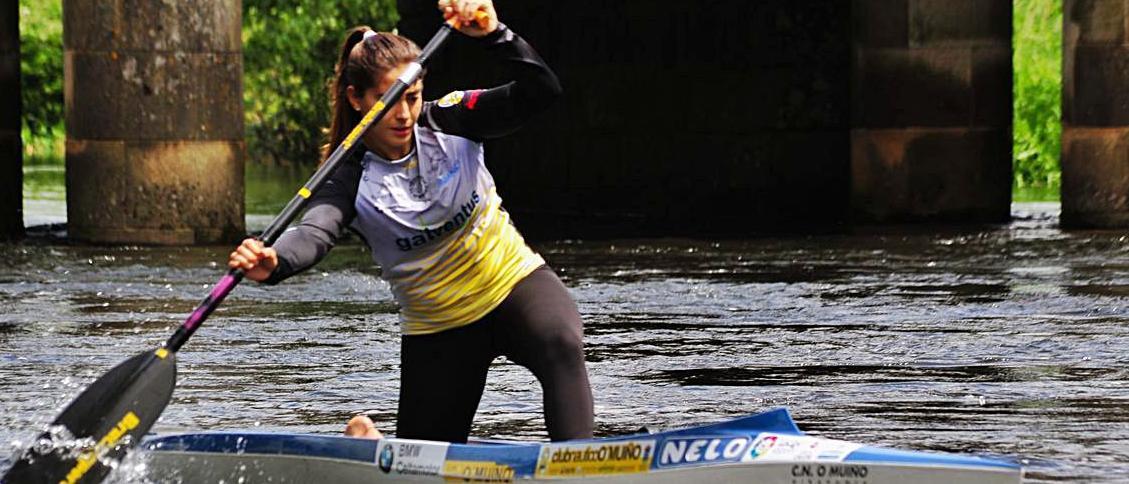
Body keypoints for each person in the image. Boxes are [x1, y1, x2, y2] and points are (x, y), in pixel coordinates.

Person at [227, 0, 594, 444]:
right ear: (356, 99)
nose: (403, 115)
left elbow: (542, 92)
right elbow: (314, 232)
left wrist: (496, 35)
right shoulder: (345, 176)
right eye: (387, 101)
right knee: (423, 460)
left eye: (412, 98)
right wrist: (275, 260)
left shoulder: (452, 119)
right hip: (439, 328)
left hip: (514, 285)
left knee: (562, 343)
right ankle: (367, 441)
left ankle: (579, 463)